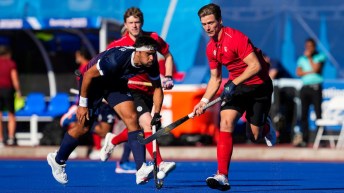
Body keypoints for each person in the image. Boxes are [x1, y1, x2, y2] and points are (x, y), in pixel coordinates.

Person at [47, 36, 163, 185]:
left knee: (133, 119)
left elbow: (158, 89)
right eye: (149, 54)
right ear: (138, 52)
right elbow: (88, 75)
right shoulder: (116, 59)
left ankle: (140, 170)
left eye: (154, 54)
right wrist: (82, 105)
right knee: (84, 128)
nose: (152, 58)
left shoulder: (151, 64)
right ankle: (58, 160)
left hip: (115, 84)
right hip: (94, 83)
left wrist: (157, 114)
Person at [193, 3, 276, 191]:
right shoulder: (210, 48)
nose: (207, 27)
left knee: (254, 136)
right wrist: (204, 102)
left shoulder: (235, 38)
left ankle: (266, 125)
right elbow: (215, 79)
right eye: (204, 24)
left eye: (211, 23)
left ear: (220, 21)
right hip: (238, 87)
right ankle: (222, 175)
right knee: (226, 122)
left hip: (259, 87)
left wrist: (234, 83)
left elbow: (255, 66)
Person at [100, 7, 176, 178]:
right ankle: (159, 163)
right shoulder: (117, 45)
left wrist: (169, 77)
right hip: (131, 91)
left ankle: (113, 141)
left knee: (140, 129)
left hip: (151, 90)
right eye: (130, 23)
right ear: (125, 25)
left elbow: (168, 56)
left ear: (142, 23)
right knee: (147, 124)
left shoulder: (153, 38)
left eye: (137, 22)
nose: (134, 26)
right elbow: (102, 67)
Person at [295, 38, 325, 147]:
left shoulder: (320, 56)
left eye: (311, 46)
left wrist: (309, 58)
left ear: (314, 47)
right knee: (303, 114)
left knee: (318, 113)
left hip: (316, 87)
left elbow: (316, 69)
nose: (308, 48)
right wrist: (309, 71)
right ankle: (305, 139)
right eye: (307, 46)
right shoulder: (301, 58)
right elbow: (298, 72)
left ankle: (321, 139)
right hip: (305, 88)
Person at [0, 45, 21, 147]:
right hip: (7, 90)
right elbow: (14, 79)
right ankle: (11, 137)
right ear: (8, 54)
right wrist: (18, 91)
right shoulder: (11, 63)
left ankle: (0, 139)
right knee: (11, 114)